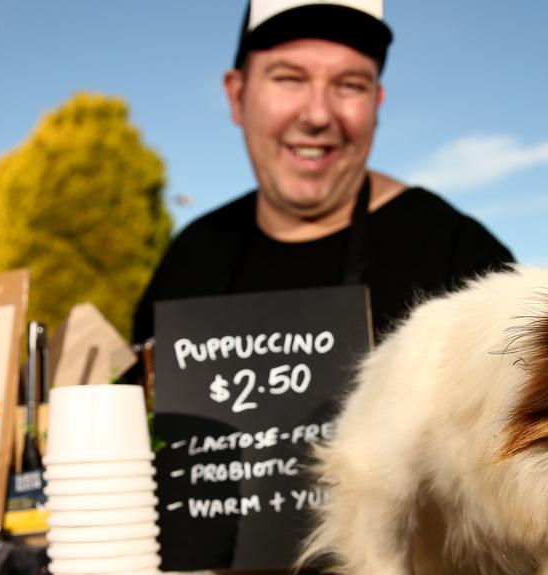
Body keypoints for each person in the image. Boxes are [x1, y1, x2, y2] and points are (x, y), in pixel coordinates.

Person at [131, 0, 514, 346]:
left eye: (349, 85)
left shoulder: (464, 263)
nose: (317, 115)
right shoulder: (191, 256)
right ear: (237, 95)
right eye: (289, 78)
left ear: (376, 103)